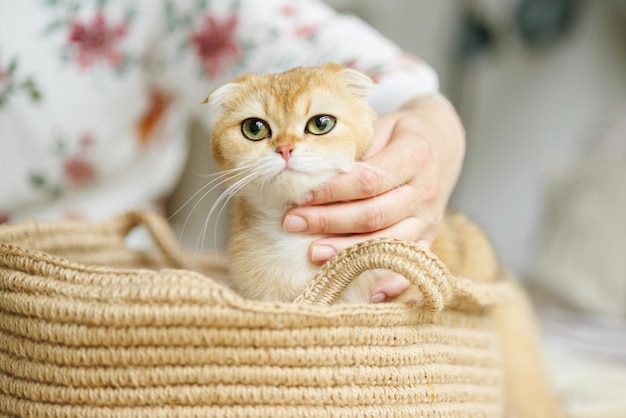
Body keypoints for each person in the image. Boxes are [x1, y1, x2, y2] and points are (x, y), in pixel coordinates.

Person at [0, 0, 465, 302]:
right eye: (257, 129)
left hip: (91, 273)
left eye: (318, 125)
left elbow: (304, 36)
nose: (285, 146)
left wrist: (432, 120)